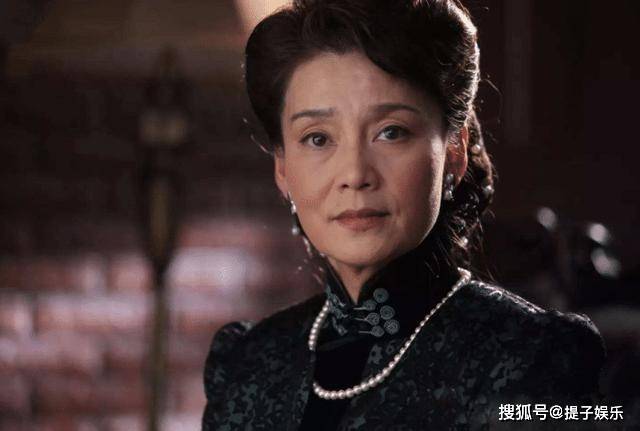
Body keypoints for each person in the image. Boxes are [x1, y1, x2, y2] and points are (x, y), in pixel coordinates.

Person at [201, 1, 606, 429]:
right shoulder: (246, 363)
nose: (355, 175)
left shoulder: (535, 357)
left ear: (453, 152)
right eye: (317, 138)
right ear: (283, 169)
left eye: (391, 132)